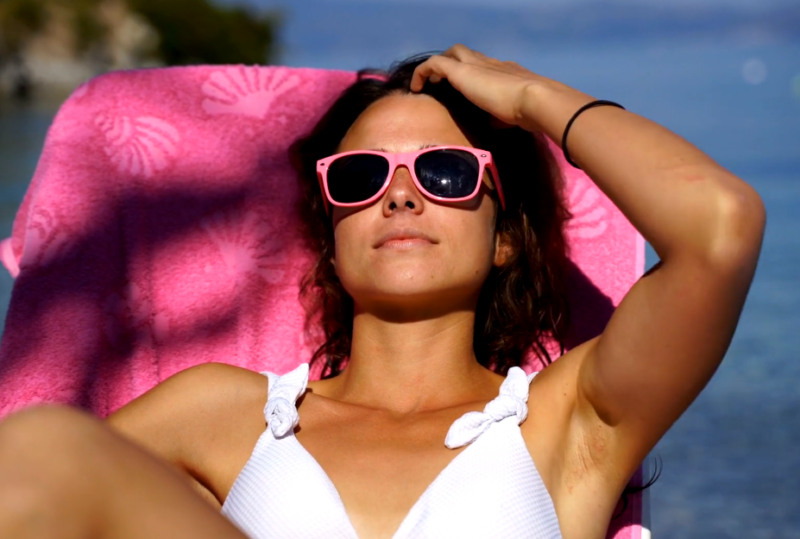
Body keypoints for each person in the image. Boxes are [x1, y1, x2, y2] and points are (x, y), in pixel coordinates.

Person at [0, 44, 765, 539]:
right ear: (331, 238)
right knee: (45, 447)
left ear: (505, 237)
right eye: (362, 177)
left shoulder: (568, 424)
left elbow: (720, 226)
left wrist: (531, 98)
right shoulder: (220, 415)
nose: (400, 197)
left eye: (444, 171)